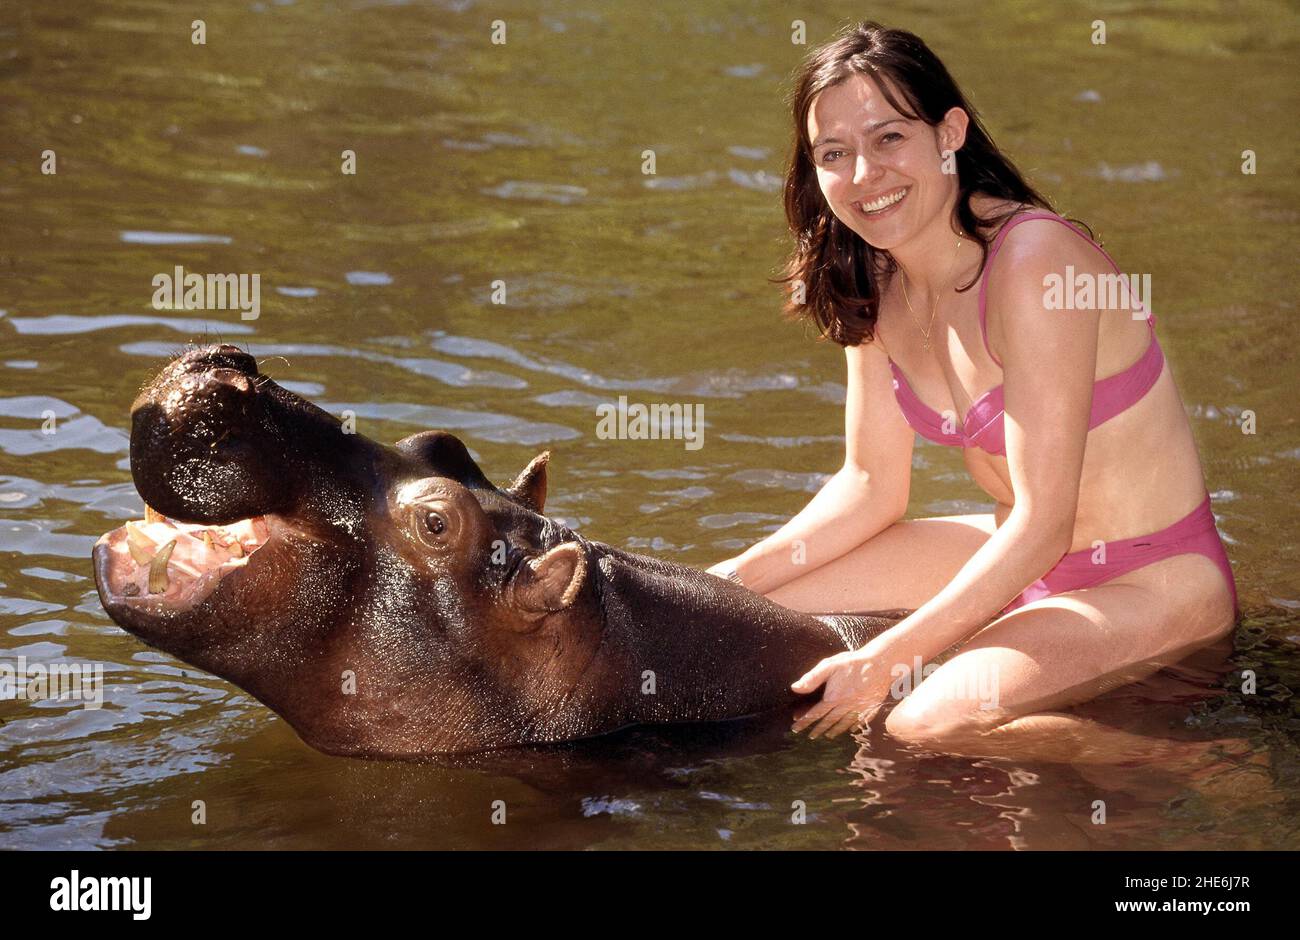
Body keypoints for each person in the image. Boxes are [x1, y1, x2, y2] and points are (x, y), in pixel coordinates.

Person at [706, 22, 1238, 763]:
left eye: (889, 139)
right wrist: (708, 586)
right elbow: (868, 486)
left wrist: (884, 660)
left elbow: (1045, 520)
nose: (864, 175)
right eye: (835, 154)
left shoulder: (1034, 263)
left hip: (1150, 577)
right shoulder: (873, 278)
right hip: (1007, 546)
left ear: (949, 133)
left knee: (923, 722)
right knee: (743, 623)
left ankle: (1203, 765)